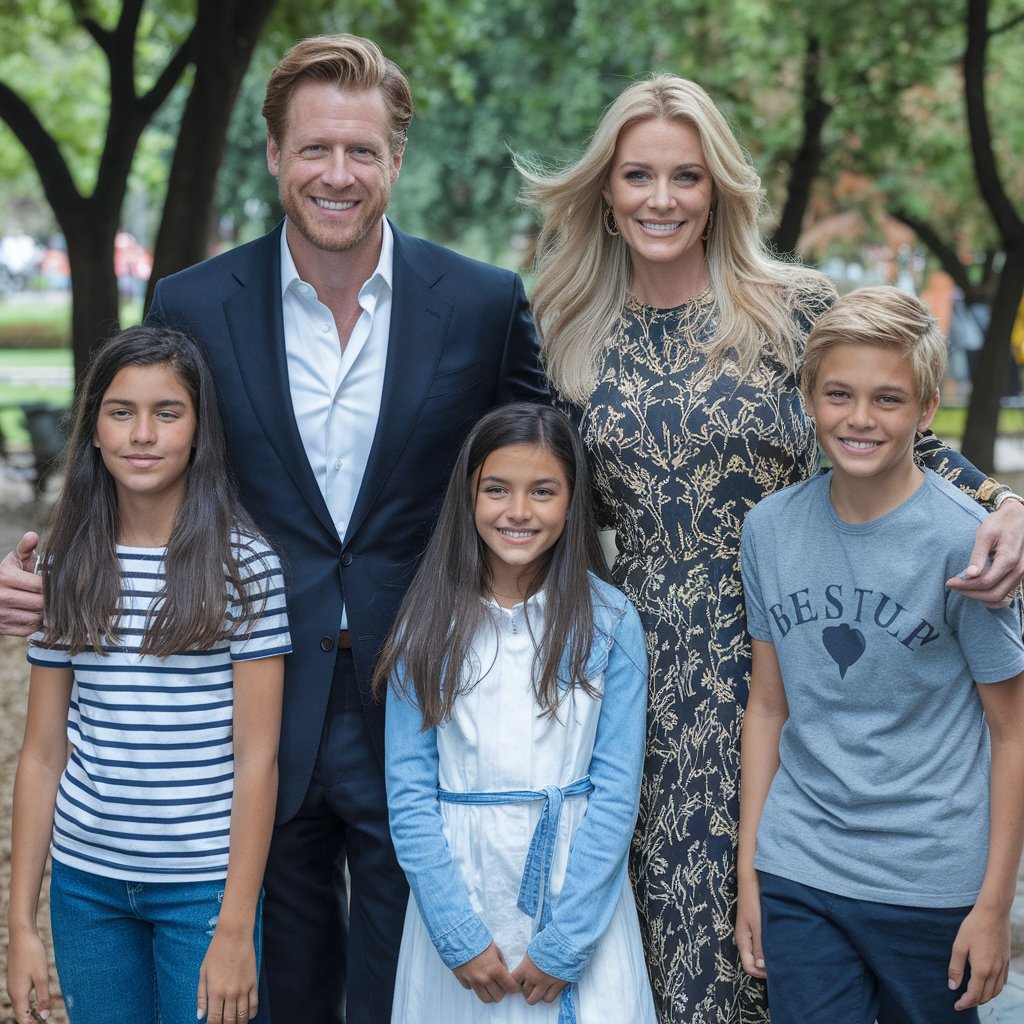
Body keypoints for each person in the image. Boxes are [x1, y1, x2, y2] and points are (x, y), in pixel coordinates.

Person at [0, 33, 547, 1024]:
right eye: (314, 149)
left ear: (396, 158)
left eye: (361, 151)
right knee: (273, 980)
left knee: (403, 980)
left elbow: (552, 469)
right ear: (273, 155)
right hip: (243, 701)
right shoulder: (193, 303)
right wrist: (44, 565)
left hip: (421, 688)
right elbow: (136, 449)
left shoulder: (482, 304)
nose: (337, 174)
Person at [516, 74, 1024, 1023]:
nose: (661, 199)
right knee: (678, 932)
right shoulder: (562, 324)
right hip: (645, 665)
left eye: (686, 177)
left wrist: (1008, 506)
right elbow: (533, 495)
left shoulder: (789, 308)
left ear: (719, 191)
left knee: (802, 942)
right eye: (638, 176)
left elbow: (900, 435)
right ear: (606, 190)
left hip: (803, 654)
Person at [736, 287, 1024, 1022]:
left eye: (888, 400)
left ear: (926, 410)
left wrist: (993, 908)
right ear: (808, 397)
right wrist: (751, 876)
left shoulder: (965, 542)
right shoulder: (771, 529)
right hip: (802, 869)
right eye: (838, 394)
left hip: (929, 882)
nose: (859, 419)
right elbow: (768, 707)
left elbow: (1011, 732)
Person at [5, 325, 290, 1024]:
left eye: (168, 412)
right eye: (120, 411)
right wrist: (21, 926)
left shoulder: (244, 566)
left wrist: (232, 929)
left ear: (199, 431)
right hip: (86, 888)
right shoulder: (66, 563)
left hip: (201, 889)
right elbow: (42, 754)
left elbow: (258, 761)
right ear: (94, 430)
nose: (142, 433)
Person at [376, 403, 656, 1023]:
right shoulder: (425, 625)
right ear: (468, 496)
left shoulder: (608, 623)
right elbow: (410, 794)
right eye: (497, 489)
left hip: (576, 895)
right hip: (462, 893)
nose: (519, 511)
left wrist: (567, 941)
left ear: (572, 499)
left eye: (543, 491)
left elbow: (615, 793)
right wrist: (457, 933)